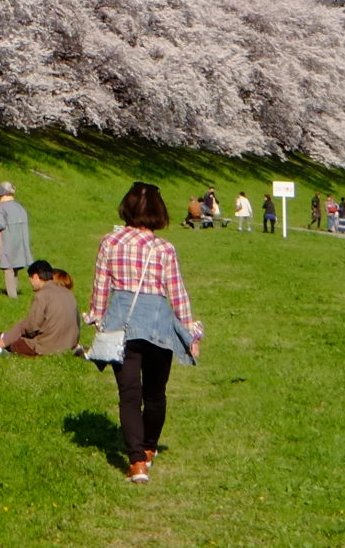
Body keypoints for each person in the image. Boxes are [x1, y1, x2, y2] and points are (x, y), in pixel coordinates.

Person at [88, 182, 204, 486]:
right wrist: (190, 333)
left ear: (126, 207)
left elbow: (100, 288)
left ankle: (136, 462)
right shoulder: (163, 248)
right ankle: (150, 447)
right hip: (157, 326)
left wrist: (98, 319)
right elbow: (177, 294)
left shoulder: (109, 242)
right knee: (155, 394)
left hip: (121, 325)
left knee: (129, 395)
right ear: (158, 211)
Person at [0, 260, 78, 357]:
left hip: (46, 348)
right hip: (69, 346)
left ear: (35, 276)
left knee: (17, 339)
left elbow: (31, 327)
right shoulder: (69, 294)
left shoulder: (42, 295)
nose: (31, 283)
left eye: (30, 279)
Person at [0, 182, 32, 296]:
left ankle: (12, 295)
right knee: (15, 267)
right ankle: (14, 291)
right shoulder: (20, 207)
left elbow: (0, 225)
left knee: (8, 267)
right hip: (21, 240)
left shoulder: (0, 208)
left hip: (8, 240)